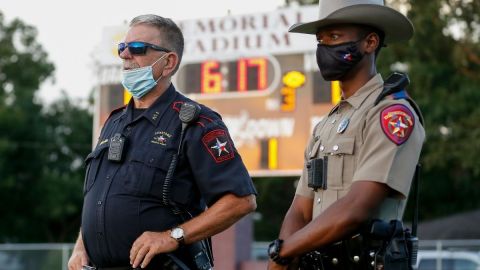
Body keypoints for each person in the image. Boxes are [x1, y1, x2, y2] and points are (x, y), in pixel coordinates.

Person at [68, 14, 257, 270]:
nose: (125, 56)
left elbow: (240, 201)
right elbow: (99, 199)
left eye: (137, 49)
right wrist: (81, 246)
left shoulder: (196, 122)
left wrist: (172, 236)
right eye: (122, 48)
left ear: (168, 63)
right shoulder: (113, 122)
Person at [267, 1, 425, 269]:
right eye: (320, 40)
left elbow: (357, 207)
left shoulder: (391, 113)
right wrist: (282, 259)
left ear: (370, 42)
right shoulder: (327, 124)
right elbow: (300, 209)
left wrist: (282, 252)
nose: (324, 47)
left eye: (335, 37)